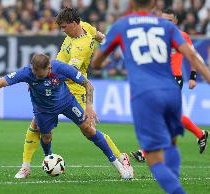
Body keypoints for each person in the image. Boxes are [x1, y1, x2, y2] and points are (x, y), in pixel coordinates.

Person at [91, 0, 210, 193]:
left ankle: (162, 170)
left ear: (131, 4)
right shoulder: (167, 28)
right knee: (169, 137)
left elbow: (96, 63)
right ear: (154, 4)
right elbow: (193, 56)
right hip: (169, 88)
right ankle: (185, 145)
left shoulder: (122, 25)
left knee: (154, 159)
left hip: (145, 91)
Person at [16, 8, 133, 179]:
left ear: (73, 23)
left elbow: (69, 71)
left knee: (89, 130)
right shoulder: (85, 26)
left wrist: (42, 81)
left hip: (72, 88)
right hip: (57, 82)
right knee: (37, 124)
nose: (63, 30)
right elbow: (101, 37)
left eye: (64, 27)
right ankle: (26, 166)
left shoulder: (82, 47)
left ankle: (121, 157)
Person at [0, 54, 133, 180]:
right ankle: (48, 160)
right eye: (35, 74)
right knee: (46, 138)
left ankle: (119, 167)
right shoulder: (27, 73)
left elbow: (88, 85)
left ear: (49, 68)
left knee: (88, 129)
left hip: (67, 103)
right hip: (43, 111)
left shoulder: (61, 68)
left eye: (40, 75)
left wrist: (89, 106)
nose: (37, 77)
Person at [130, 8, 209, 162]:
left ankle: (145, 152)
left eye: (169, 20)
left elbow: (193, 57)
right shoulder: (155, 35)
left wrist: (193, 77)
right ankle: (200, 134)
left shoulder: (182, 36)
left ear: (176, 21)